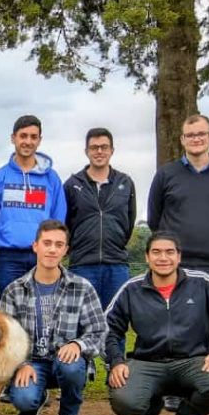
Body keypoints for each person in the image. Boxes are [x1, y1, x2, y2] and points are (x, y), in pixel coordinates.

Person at [105, 231, 209, 415]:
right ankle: (151, 405)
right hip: (148, 362)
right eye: (156, 252)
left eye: (169, 252)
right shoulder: (131, 289)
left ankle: (188, 414)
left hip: (193, 361)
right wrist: (116, 361)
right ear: (147, 257)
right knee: (124, 401)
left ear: (179, 256)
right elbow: (106, 328)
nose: (163, 258)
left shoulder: (202, 283)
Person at [0, 219, 107, 415]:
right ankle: (32, 404)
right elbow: (4, 338)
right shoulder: (14, 290)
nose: (52, 249)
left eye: (59, 245)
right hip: (33, 362)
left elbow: (99, 330)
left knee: (72, 366)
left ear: (65, 250)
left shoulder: (82, 287)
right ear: (35, 246)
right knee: (23, 399)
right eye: (47, 243)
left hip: (65, 359)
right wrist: (22, 364)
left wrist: (79, 344)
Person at [147, 114, 209, 286]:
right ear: (182, 139)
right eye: (190, 135)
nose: (196, 139)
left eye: (201, 134)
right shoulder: (166, 174)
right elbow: (154, 219)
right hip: (175, 262)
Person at [0, 115, 66, 303]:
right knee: (8, 314)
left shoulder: (52, 179)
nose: (28, 141)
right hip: (9, 258)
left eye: (33, 137)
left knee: (45, 308)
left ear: (39, 140)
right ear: (13, 138)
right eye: (23, 136)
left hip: (43, 256)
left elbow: (58, 219)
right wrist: (4, 235)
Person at [64, 127, 136, 308]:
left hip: (116, 264)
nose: (99, 151)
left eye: (104, 147)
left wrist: (116, 241)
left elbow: (129, 220)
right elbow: (65, 223)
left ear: (112, 150)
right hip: (82, 264)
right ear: (86, 151)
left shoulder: (125, 183)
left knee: (115, 321)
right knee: (83, 321)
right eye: (94, 147)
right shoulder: (72, 185)